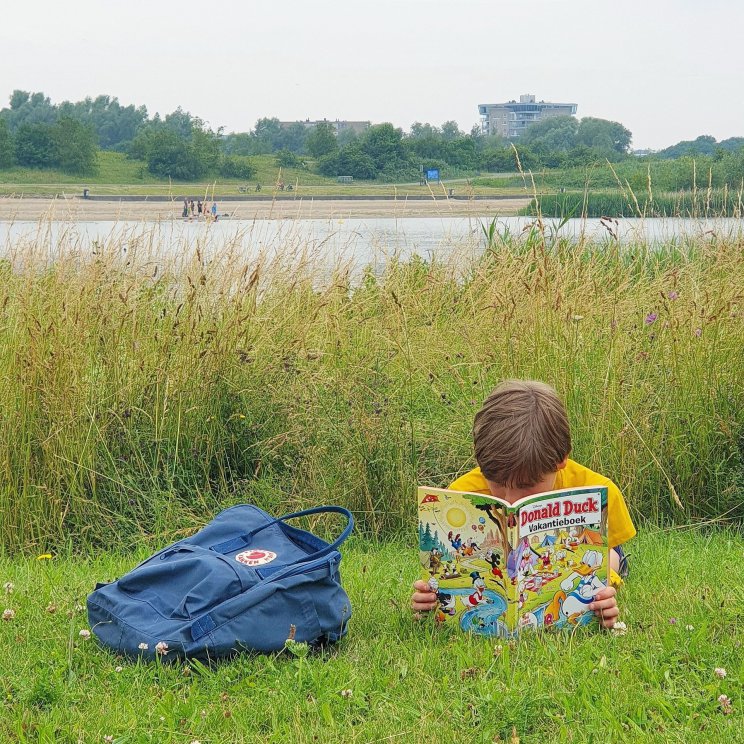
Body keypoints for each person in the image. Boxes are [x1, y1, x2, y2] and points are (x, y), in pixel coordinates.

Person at [411, 380, 635, 629]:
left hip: (596, 553)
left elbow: (610, 550)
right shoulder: (462, 493)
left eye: (526, 486)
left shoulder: (596, 489)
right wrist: (429, 597)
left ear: (560, 460)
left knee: (608, 555)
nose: (510, 499)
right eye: (496, 482)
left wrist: (603, 592)